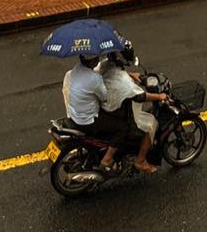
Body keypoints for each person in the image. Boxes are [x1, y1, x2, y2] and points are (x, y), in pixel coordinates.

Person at [99, 46, 172, 174]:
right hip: (116, 110)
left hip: (105, 104)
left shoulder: (104, 64)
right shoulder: (123, 81)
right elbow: (140, 96)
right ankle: (140, 161)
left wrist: (131, 75)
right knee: (149, 125)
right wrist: (160, 96)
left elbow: (114, 72)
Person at [62, 54, 134, 171]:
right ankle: (107, 158)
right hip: (88, 120)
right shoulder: (94, 78)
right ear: (92, 61)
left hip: (75, 113)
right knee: (123, 127)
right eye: (96, 58)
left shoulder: (76, 70)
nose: (98, 60)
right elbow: (104, 97)